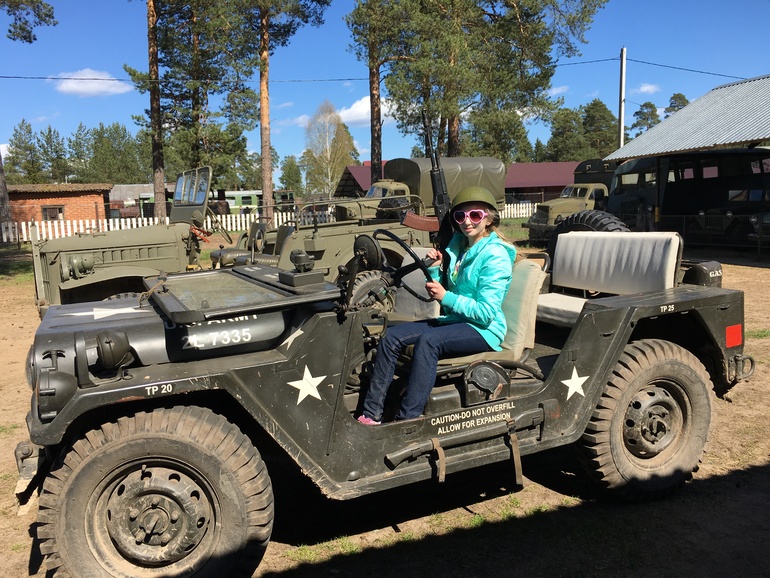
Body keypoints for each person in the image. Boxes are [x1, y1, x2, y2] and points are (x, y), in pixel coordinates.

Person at [358, 186, 517, 425]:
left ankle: (408, 420)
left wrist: (446, 297)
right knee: (391, 337)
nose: (467, 222)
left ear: (489, 219)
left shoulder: (495, 256)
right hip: (457, 321)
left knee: (429, 342)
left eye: (475, 215)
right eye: (460, 216)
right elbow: (447, 294)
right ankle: (371, 415)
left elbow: (485, 313)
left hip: (484, 330)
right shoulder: (461, 249)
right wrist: (434, 269)